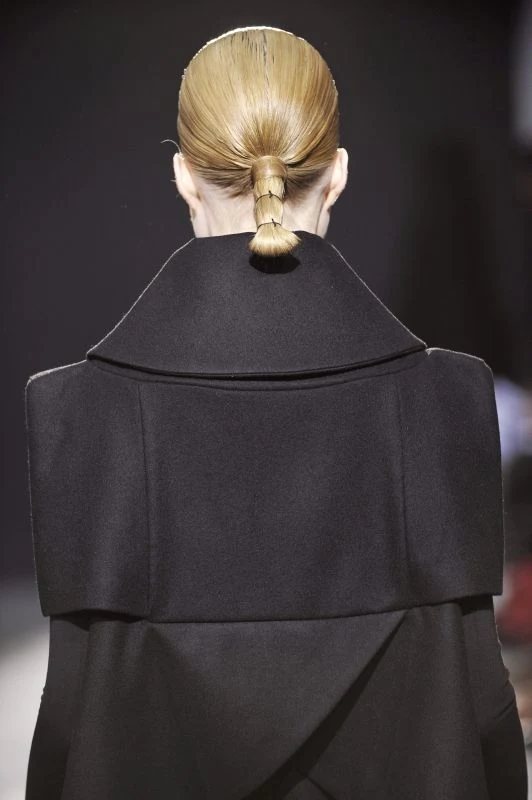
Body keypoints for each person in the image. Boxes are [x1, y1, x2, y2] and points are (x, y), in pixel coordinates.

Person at [24, 25, 528, 799]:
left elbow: (74, 726)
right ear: (339, 174)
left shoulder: (79, 415)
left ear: (184, 177)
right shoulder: (447, 404)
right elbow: (478, 716)